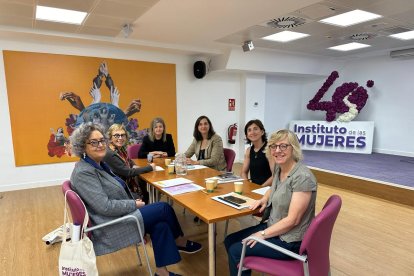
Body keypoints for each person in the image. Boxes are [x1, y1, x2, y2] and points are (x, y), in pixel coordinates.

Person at [69, 122, 202, 276]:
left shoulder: (97, 164)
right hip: (109, 226)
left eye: (101, 140)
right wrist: (133, 204)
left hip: (119, 215)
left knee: (161, 225)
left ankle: (162, 272)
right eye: (93, 142)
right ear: (81, 146)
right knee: (164, 208)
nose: (100, 145)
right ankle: (179, 241)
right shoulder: (84, 172)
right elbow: (104, 207)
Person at [224, 129, 317, 276]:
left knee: (236, 250)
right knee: (230, 240)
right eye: (274, 146)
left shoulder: (303, 177)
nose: (277, 150)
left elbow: (293, 220)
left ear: (294, 148)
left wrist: (263, 234)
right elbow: (274, 187)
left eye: (283, 146)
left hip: (289, 240)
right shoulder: (280, 169)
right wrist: (264, 198)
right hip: (275, 227)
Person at [104, 123, 152, 204]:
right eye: (116, 135)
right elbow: (128, 172)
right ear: (110, 138)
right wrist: (150, 167)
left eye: (123, 135)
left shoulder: (120, 149)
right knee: (144, 193)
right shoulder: (110, 154)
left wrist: (134, 165)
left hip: (124, 184)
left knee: (144, 187)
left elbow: (129, 160)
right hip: (119, 190)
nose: (120, 138)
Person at [241, 119, 273, 186]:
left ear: (262, 132)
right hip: (254, 187)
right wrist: (247, 184)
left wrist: (260, 188)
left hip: (267, 188)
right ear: (247, 135)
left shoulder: (270, 149)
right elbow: (243, 172)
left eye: (255, 129)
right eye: (249, 130)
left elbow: (275, 176)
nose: (252, 132)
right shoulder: (249, 150)